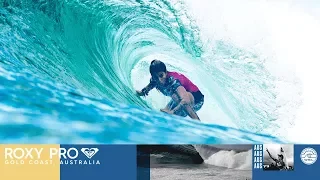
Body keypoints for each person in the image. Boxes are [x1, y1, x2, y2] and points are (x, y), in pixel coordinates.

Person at [136, 60, 204, 120]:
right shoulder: (154, 80)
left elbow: (186, 100)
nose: (159, 80)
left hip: (197, 99)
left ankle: (198, 124)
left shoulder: (173, 80)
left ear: (165, 72)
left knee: (177, 101)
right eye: (155, 77)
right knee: (165, 113)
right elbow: (144, 91)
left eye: (161, 75)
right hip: (179, 98)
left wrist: (173, 112)